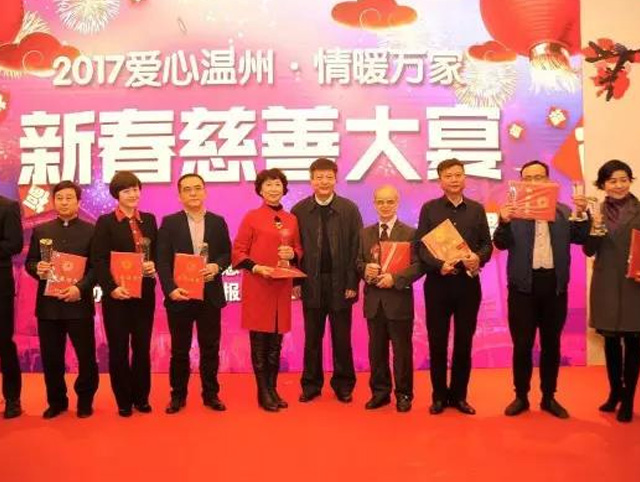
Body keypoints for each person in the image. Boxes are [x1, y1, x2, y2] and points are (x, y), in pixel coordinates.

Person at [493, 160, 589, 419]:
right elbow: (500, 244)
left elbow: (581, 238)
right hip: (522, 288)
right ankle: (521, 396)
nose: (534, 183)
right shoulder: (514, 213)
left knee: (551, 344)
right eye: (528, 179)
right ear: (521, 183)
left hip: (554, 287)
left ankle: (549, 397)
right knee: (522, 345)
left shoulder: (563, 212)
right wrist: (503, 222)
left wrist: (582, 213)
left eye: (539, 178)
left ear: (548, 181)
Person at [415, 158, 492, 415]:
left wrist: (478, 257)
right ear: (440, 181)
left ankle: (459, 396)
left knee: (464, 342)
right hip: (438, 284)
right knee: (437, 342)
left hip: (468, 285)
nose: (454, 179)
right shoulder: (429, 209)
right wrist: (439, 265)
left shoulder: (476, 209)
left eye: (459, 174)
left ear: (464, 178)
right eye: (449, 175)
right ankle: (438, 396)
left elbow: (487, 244)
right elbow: (420, 247)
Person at [157, 173, 231, 414]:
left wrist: (216, 266)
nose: (193, 193)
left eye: (197, 188)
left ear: (205, 192)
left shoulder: (218, 222)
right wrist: (170, 290)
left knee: (210, 347)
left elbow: (227, 254)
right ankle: (178, 395)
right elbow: (162, 261)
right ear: (179, 196)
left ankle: (211, 394)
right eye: (187, 189)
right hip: (181, 295)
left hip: (210, 295)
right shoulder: (170, 223)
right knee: (180, 350)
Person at [25, 181, 99, 419]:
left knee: (86, 357)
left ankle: (85, 400)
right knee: (51, 359)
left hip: (79, 305)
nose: (64, 202)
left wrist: (80, 288)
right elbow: (30, 262)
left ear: (78, 201)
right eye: (60, 198)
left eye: (69, 198)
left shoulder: (92, 231)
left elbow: (97, 267)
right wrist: (38, 268)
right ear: (54, 201)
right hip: (49, 307)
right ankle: (57, 401)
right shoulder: (42, 231)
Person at [292, 158, 362, 403]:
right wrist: (296, 282)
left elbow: (357, 248)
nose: (324, 181)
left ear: (335, 179)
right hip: (310, 282)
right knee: (312, 338)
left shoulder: (349, 209)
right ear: (311, 180)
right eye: (319, 177)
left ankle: (344, 385)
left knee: (342, 338)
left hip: (341, 283)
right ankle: (311, 385)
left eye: (328, 177)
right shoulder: (299, 210)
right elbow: (294, 249)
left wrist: (353, 283)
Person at [232, 168, 303, 411]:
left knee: (275, 344)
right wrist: (256, 267)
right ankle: (262, 392)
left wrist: (293, 254)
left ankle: (272, 389)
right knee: (260, 342)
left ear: (284, 188)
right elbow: (238, 251)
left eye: (277, 184)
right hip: (258, 285)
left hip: (281, 286)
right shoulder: (251, 217)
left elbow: (299, 249)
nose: (273, 189)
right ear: (260, 190)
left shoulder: (291, 219)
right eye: (268, 185)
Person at [91, 171, 157, 417]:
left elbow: (157, 252)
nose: (133, 194)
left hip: (144, 294)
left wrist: (153, 265)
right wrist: (111, 288)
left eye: (136, 189)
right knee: (118, 349)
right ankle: (123, 399)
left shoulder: (149, 220)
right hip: (117, 296)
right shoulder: (106, 222)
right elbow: (99, 259)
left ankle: (141, 397)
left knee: (142, 347)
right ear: (116, 195)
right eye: (127, 190)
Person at [356, 185, 422, 412]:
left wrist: (395, 279)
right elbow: (357, 262)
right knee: (376, 351)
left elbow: (419, 266)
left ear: (397, 203)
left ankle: (404, 394)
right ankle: (380, 393)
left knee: (402, 352)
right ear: (374, 204)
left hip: (399, 301)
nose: (385, 206)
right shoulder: (365, 233)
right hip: (374, 302)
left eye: (390, 201)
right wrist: (365, 270)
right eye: (380, 202)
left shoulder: (411, 233)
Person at [583, 159, 640, 423]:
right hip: (605, 282)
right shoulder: (596, 211)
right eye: (612, 181)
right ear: (603, 184)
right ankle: (615, 392)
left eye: (623, 180)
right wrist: (594, 228)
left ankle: (628, 399)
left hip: (635, 283)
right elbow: (588, 250)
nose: (619, 185)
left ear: (630, 181)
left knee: (634, 342)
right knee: (611, 341)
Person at [0, 193, 23, 419]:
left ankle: (12, 398)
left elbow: (15, 244)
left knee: (3, 343)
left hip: (0, 287)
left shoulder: (7, 206)